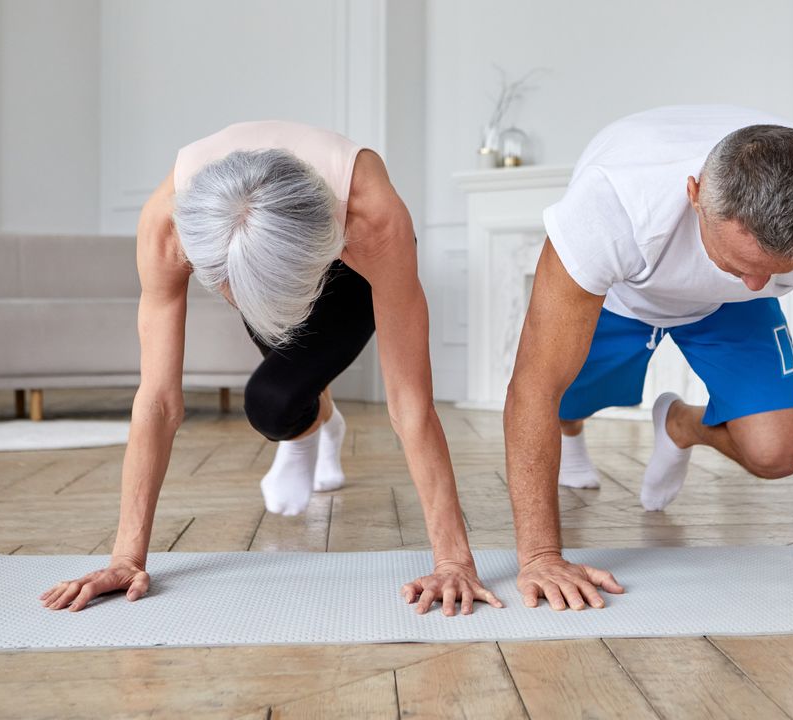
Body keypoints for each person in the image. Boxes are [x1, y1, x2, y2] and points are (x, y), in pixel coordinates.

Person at [41, 121, 500, 616]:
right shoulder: (167, 226)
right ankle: (314, 419)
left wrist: (453, 560)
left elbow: (410, 402)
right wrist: (126, 557)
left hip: (346, 264)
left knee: (277, 398)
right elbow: (156, 401)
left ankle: (313, 414)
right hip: (260, 244)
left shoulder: (375, 218)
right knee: (273, 407)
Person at [503, 105, 793, 611]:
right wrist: (540, 556)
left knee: (777, 452)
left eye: (780, 269)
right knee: (560, 398)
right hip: (622, 292)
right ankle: (573, 431)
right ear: (694, 195)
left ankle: (680, 426)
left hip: (729, 309)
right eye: (741, 262)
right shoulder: (613, 205)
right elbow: (533, 385)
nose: (761, 283)